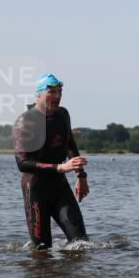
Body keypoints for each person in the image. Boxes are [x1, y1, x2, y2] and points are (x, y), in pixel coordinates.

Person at [13, 73, 89, 249]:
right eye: (52, 92)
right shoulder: (25, 122)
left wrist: (81, 175)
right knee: (42, 249)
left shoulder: (63, 114)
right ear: (39, 94)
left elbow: (70, 144)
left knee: (81, 244)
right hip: (36, 190)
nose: (57, 96)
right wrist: (61, 167)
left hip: (60, 188)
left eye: (60, 91)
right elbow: (22, 164)